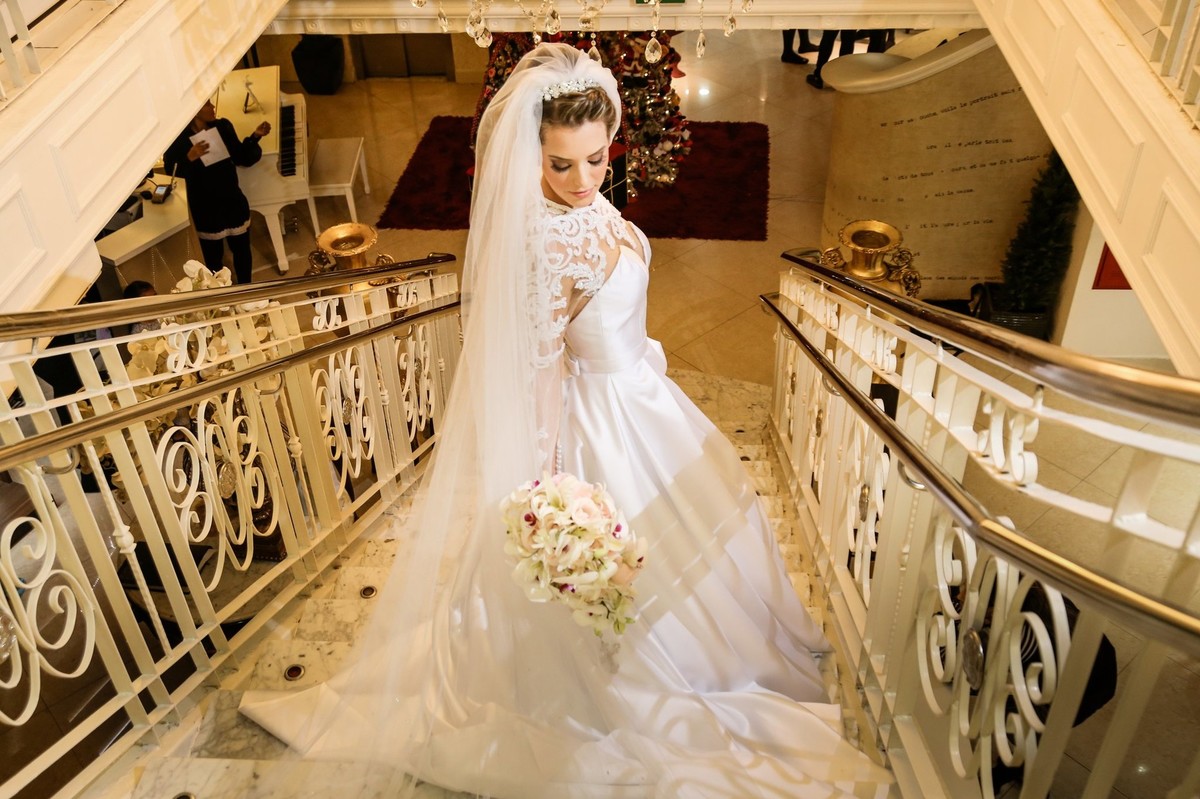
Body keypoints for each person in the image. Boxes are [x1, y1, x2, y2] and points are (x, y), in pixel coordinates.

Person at [241, 43, 891, 797]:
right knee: (626, 574)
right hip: (603, 423)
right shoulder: (547, 243)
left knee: (701, 536)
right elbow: (541, 367)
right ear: (532, 158)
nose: (584, 180)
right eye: (562, 165)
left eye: (595, 158)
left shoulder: (588, 205)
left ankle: (722, 651)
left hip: (641, 397)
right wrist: (546, 487)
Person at [163, 100, 269, 285]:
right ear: (194, 110)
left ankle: (246, 288)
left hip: (231, 199)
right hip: (206, 207)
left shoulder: (222, 126)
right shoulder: (178, 141)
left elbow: (240, 156)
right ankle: (221, 292)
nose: (212, 108)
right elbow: (172, 173)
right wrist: (190, 157)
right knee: (213, 258)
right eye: (207, 105)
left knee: (242, 249)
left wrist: (255, 136)